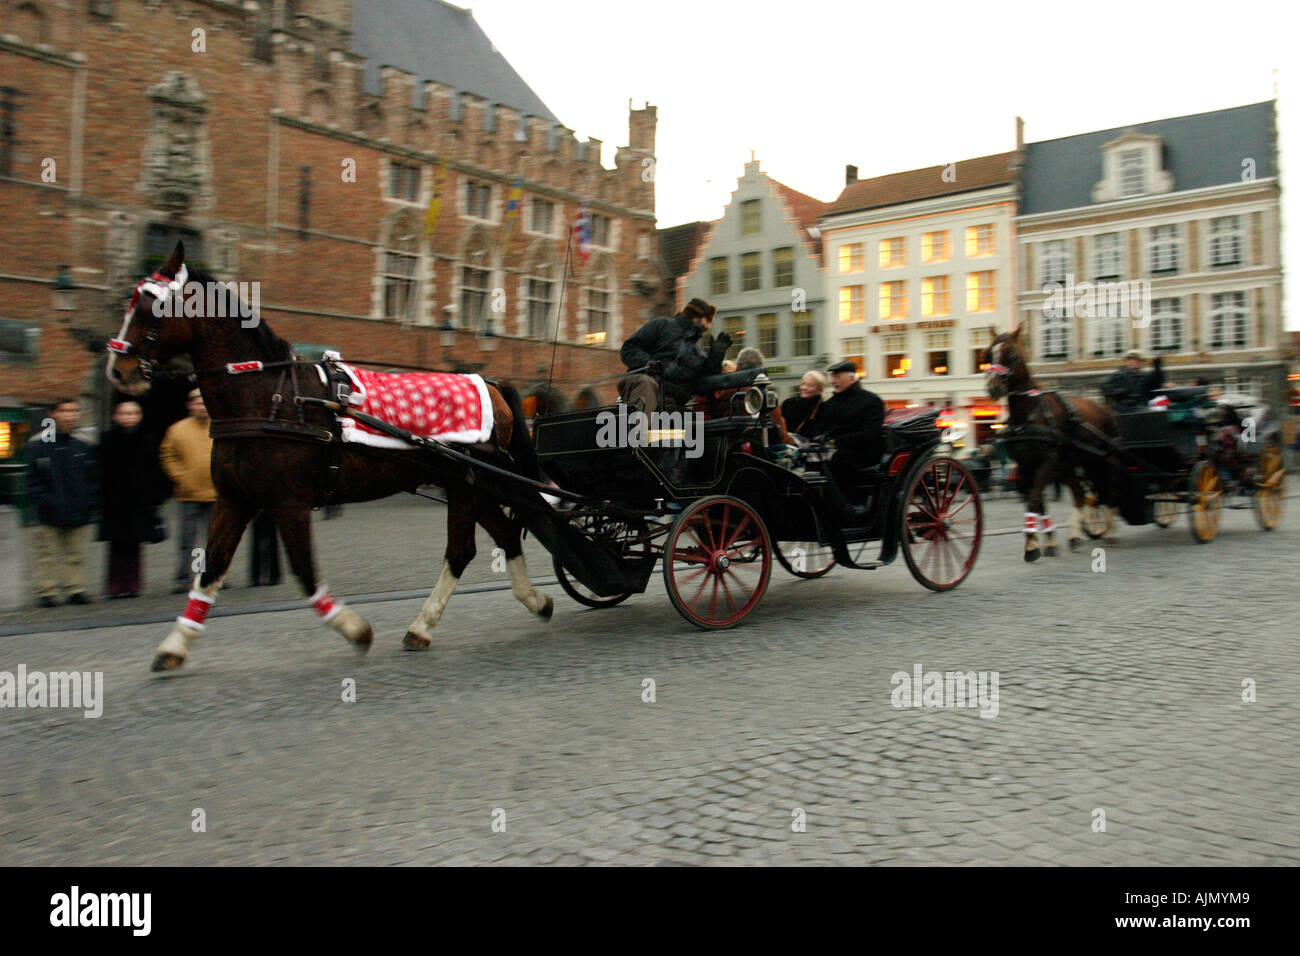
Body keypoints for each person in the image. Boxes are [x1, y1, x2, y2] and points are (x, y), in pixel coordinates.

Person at [24, 397, 99, 607]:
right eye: (64, 411)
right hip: (49, 510)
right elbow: (31, 478)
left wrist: (89, 501)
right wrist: (44, 500)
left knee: (75, 554)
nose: (69, 415)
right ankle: (46, 591)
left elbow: (94, 477)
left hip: (78, 508)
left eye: (73, 411)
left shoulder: (84, 443)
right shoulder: (40, 443)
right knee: (46, 554)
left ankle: (75, 588)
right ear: (53, 414)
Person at [98, 400, 166, 598]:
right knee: (116, 545)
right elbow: (101, 471)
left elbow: (156, 470)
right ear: (116, 416)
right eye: (124, 413)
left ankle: (133, 583)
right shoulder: (107, 439)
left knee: (135, 544)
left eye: (133, 413)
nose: (128, 417)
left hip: (140, 499)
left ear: (140, 416)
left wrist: (156, 497)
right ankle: (115, 584)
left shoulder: (149, 439)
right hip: (114, 500)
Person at [618, 297, 729, 411]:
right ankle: (639, 427)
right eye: (708, 320)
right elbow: (629, 348)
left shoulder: (698, 354)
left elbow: (703, 383)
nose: (708, 327)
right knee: (647, 384)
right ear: (697, 316)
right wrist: (647, 362)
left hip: (670, 401)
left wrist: (716, 356)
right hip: (643, 384)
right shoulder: (662, 325)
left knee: (693, 421)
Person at [160, 389, 216, 593]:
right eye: (197, 403)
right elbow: (168, 456)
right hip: (188, 494)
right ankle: (187, 576)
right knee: (188, 539)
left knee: (212, 539)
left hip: (215, 492)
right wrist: (180, 477)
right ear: (190, 406)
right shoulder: (177, 430)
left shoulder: (219, 427)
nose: (202, 407)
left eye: (205, 403)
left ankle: (209, 575)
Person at [816, 360, 886, 515]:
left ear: (851, 378)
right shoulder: (831, 403)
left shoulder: (871, 401)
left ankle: (844, 510)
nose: (832, 381)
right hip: (835, 449)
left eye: (836, 377)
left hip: (862, 453)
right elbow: (820, 428)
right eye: (831, 377)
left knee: (828, 461)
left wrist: (837, 442)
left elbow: (870, 433)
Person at [782, 370, 828, 438]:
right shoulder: (788, 404)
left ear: (820, 390)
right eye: (803, 384)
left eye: (809, 385)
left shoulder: (825, 408)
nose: (804, 388)